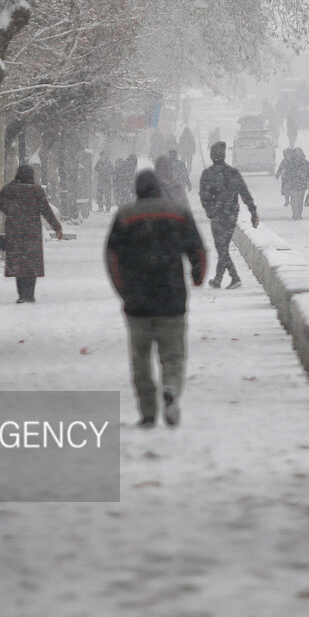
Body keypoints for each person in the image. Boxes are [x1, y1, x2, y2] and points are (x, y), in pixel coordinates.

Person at [105, 170, 207, 428]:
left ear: (137, 190)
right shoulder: (179, 213)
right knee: (173, 355)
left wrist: (123, 290)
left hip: (138, 302)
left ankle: (148, 410)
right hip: (172, 298)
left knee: (140, 358)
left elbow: (112, 257)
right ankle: (171, 387)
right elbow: (197, 250)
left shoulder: (125, 217)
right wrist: (197, 276)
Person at [0, 164, 64, 303]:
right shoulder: (36, 191)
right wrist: (57, 228)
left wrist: (10, 210)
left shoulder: (9, 189)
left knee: (19, 264)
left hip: (15, 231)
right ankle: (30, 294)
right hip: (32, 232)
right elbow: (46, 211)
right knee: (31, 264)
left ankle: (21, 295)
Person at [199, 141, 260, 289]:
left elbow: (204, 196)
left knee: (221, 246)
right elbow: (244, 193)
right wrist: (253, 211)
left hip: (217, 215)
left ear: (212, 156)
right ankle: (223, 278)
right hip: (231, 213)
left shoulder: (208, 174)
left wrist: (210, 210)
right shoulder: (233, 173)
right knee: (223, 246)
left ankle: (229, 277)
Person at [284, 148, 309, 220]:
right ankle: (298, 215)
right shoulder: (305, 163)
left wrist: (286, 184)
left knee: (295, 200)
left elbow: (287, 174)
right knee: (299, 200)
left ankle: (295, 214)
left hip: (294, 184)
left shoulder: (291, 163)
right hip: (301, 185)